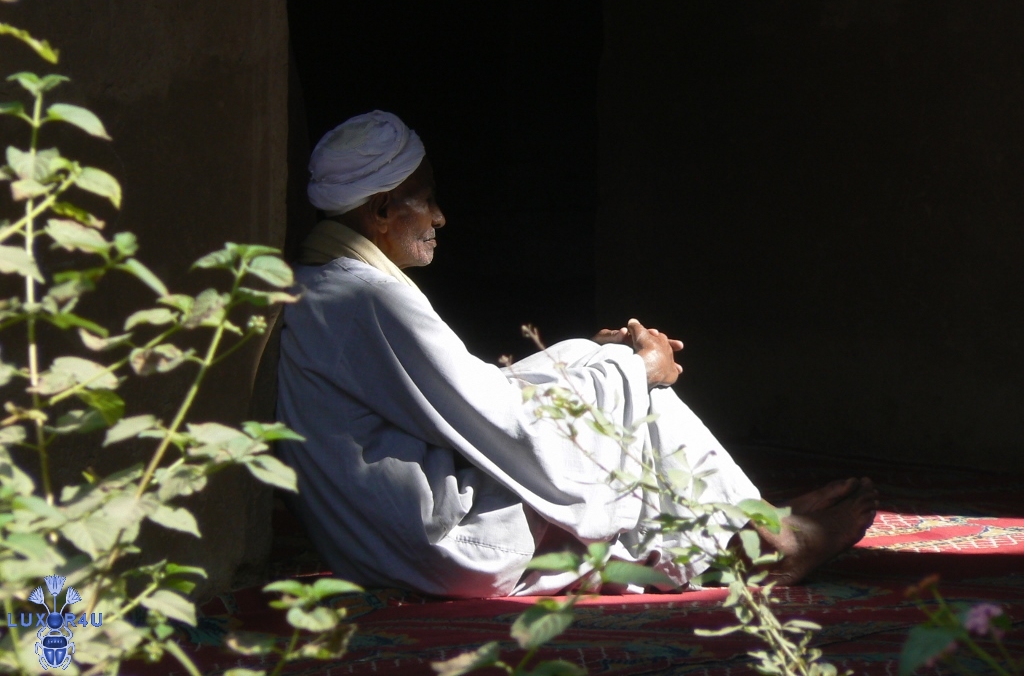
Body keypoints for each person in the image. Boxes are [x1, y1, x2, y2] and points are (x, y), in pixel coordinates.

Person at [275, 110, 878, 598]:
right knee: (634, 398)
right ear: (381, 211)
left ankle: (742, 522)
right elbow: (497, 418)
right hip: (437, 541)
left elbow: (467, 394)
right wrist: (636, 370)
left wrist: (593, 359)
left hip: (381, 539)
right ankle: (765, 543)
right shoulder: (369, 299)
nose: (439, 216)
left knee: (589, 366)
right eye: (424, 200)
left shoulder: (329, 283)